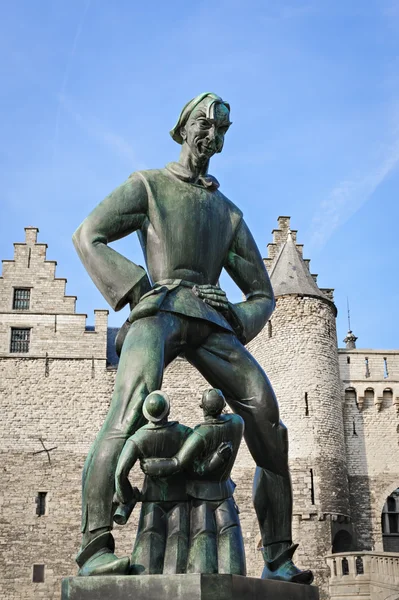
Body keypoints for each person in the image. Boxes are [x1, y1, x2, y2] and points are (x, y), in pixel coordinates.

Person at [73, 92, 313, 583]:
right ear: (183, 127)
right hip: (158, 311)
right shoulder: (149, 185)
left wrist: (241, 316)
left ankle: (278, 556)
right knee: (129, 404)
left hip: (210, 321)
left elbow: (262, 293)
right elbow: (89, 234)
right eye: (205, 125)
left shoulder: (227, 214)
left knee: (267, 418)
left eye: (222, 131)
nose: (213, 136)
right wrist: (139, 288)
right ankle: (95, 546)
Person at [142, 388, 246, 575]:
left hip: (202, 498)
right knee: (230, 540)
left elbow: (177, 463)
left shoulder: (201, 434)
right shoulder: (238, 423)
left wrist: (152, 466)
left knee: (202, 540)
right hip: (225, 493)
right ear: (223, 407)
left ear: (202, 408)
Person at [114, 391, 191, 575]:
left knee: (148, 540)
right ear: (167, 410)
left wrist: (127, 496)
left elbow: (120, 473)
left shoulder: (139, 438)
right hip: (180, 498)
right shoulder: (184, 433)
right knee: (178, 540)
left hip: (151, 499)